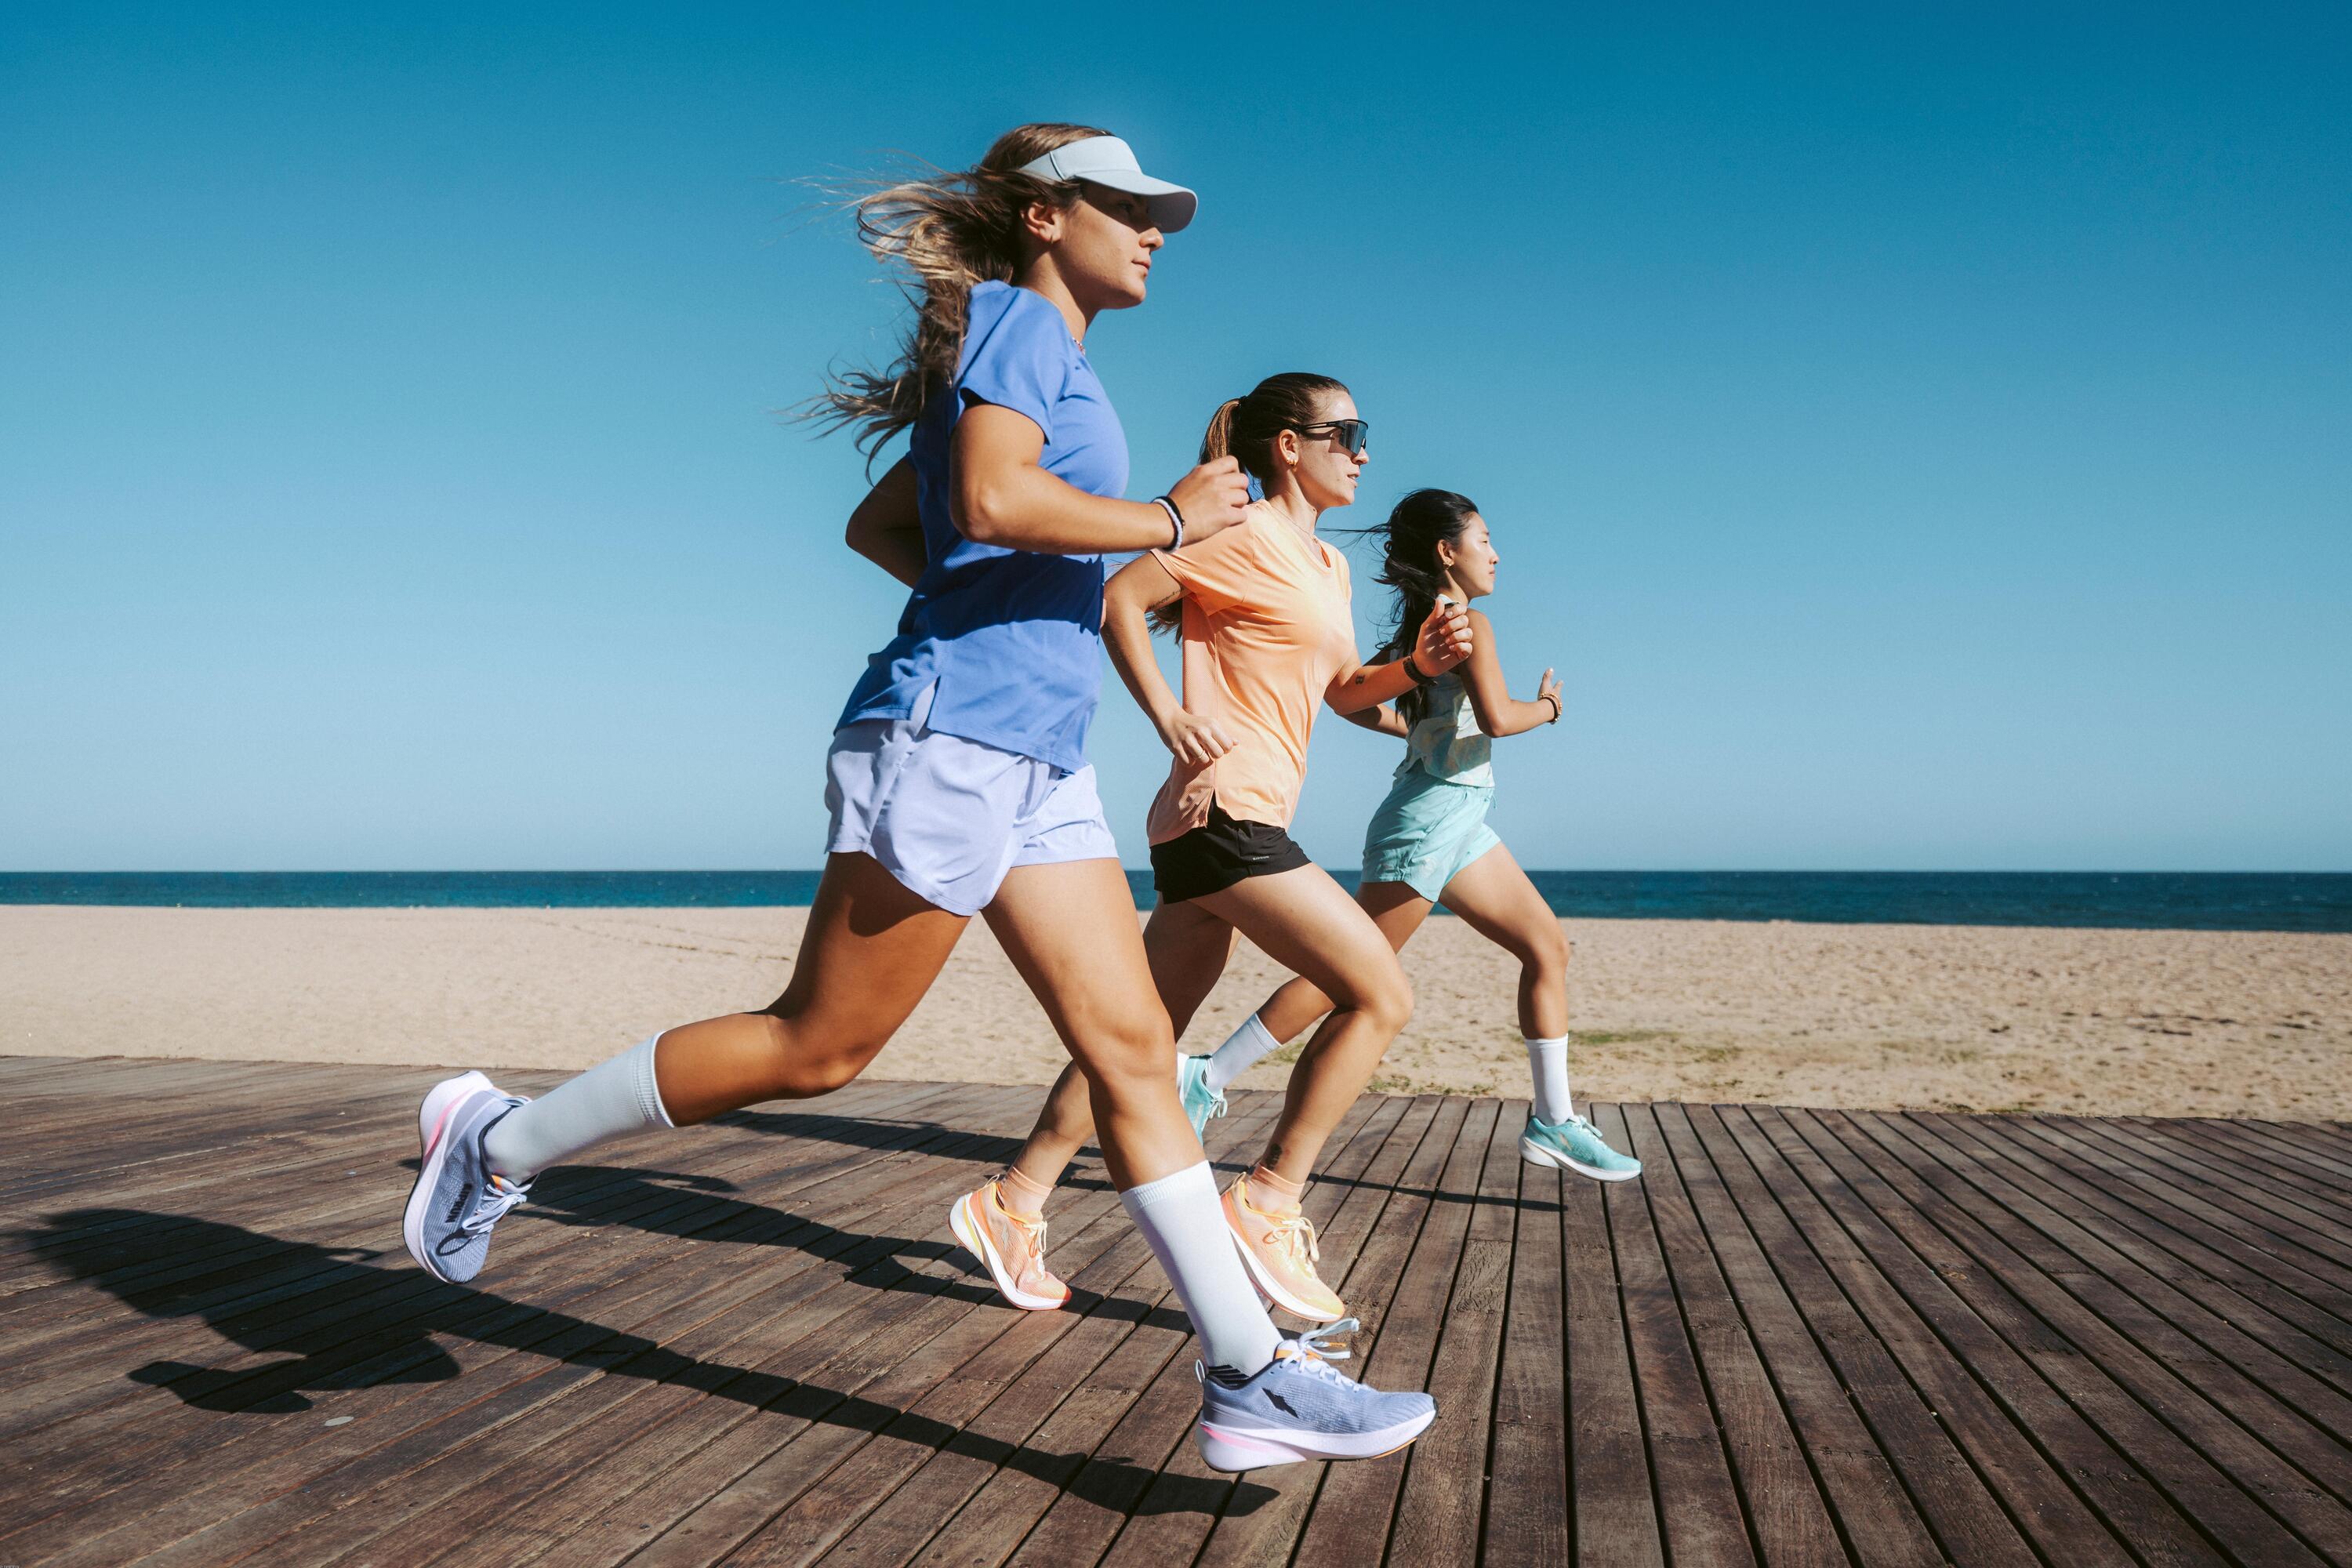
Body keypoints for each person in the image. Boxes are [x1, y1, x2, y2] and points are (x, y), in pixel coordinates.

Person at [400, 125, 1435, 1472]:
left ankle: (1249, 1377)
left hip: (1038, 754)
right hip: (953, 741)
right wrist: (1170, 522)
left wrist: (987, 598)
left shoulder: (1030, 351)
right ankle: (497, 1143)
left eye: (1161, 211)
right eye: (1129, 207)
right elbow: (998, 498)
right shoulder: (1015, 322)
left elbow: (898, 526)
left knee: (1134, 1057)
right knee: (821, 1045)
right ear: (1049, 215)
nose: (1157, 229)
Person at [949, 375, 1476, 1326]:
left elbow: (1342, 689)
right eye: (1346, 433)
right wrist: (1168, 713)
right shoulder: (1232, 532)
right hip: (1224, 811)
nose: (1362, 451)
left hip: (1224, 820)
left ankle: (1013, 1199)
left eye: (1366, 434)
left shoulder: (1326, 565)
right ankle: (1270, 1198)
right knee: (1380, 991)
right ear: (1289, 446)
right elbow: (1121, 596)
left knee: (1137, 1043)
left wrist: (1418, 668)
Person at [1184, 489, 1642, 1181]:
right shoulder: (1469, 626)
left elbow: (1357, 703)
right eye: (1484, 538)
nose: (1496, 552)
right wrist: (1547, 708)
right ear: (1447, 552)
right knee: (1348, 975)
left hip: (1458, 820)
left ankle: (1553, 1119)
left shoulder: (1419, 634)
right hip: (1428, 823)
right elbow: (1494, 719)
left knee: (1545, 946)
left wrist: (1420, 731)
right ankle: (1209, 1075)